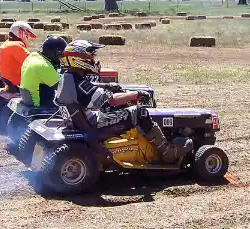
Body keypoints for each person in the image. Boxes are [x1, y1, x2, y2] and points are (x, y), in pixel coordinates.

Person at [55, 40, 193, 164]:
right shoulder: (79, 84)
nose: (93, 60)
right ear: (79, 59)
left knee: (122, 109)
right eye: (91, 56)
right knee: (139, 112)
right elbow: (112, 101)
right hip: (93, 124)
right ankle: (168, 152)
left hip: (79, 121)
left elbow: (87, 92)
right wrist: (136, 94)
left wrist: (106, 87)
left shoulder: (67, 78)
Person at [19, 35, 68, 108]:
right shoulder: (43, 66)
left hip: (29, 99)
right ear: (56, 53)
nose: (62, 58)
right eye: (61, 55)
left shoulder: (32, 57)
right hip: (40, 104)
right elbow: (62, 89)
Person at [0, 21, 36, 92]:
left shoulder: (8, 43)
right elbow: (32, 62)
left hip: (10, 79)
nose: (27, 38)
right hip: (17, 82)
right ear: (21, 33)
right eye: (27, 35)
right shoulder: (16, 46)